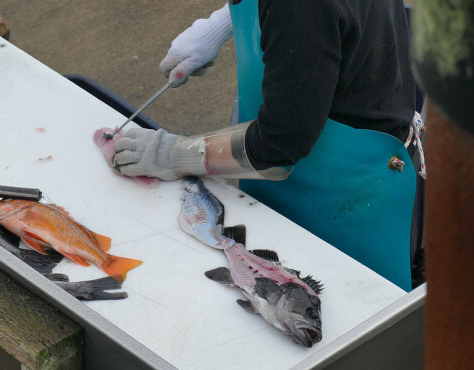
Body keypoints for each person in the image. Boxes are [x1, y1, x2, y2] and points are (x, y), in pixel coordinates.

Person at [112, 0, 421, 291]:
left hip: (347, 193)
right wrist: (219, 25)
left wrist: (174, 155)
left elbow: (279, 143)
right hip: (298, 151)